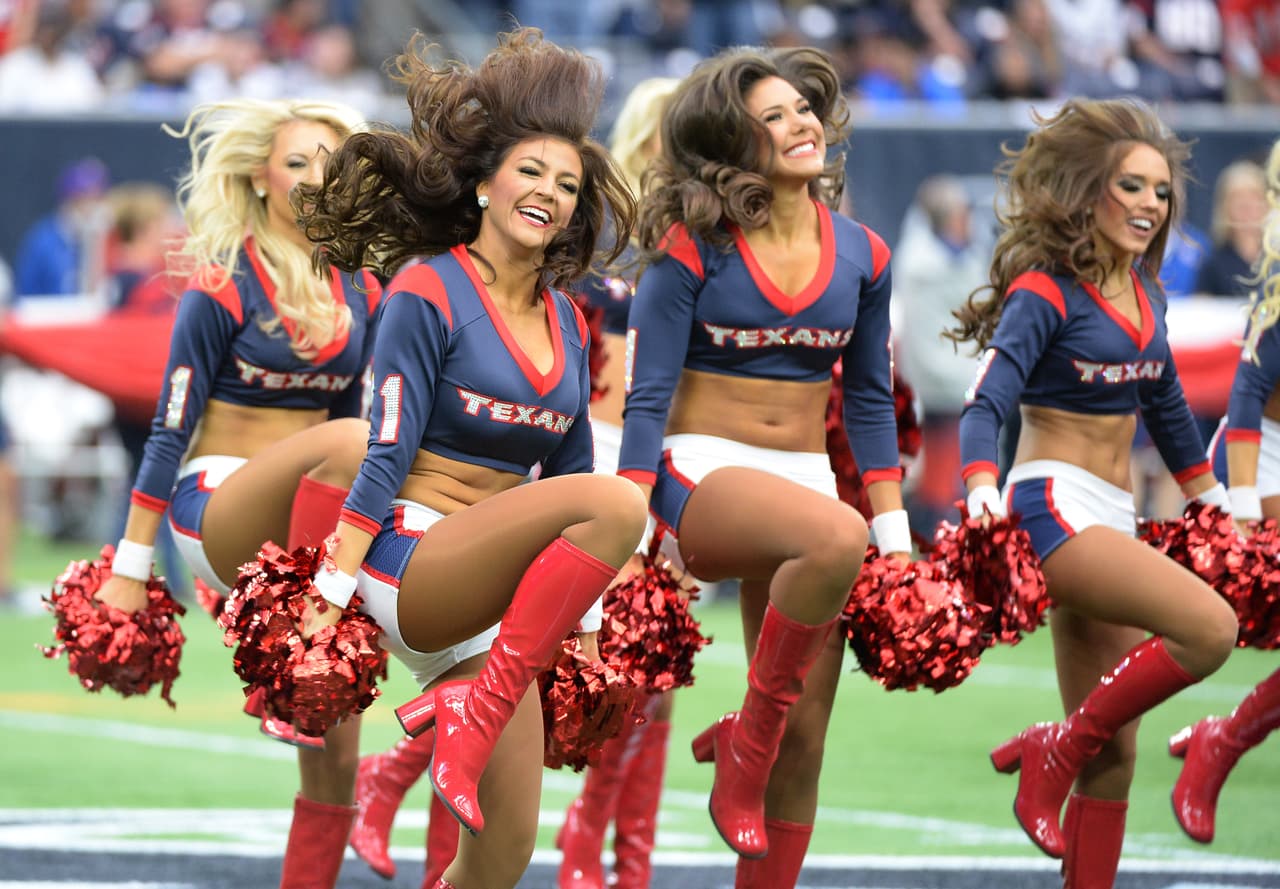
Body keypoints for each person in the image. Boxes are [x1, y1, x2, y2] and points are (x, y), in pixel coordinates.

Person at [297, 28, 647, 889]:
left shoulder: (568, 318)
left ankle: (474, 700)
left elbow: (563, 472)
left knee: (502, 853)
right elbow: (385, 450)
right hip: (412, 559)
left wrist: (592, 637)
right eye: (531, 171)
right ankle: (472, 702)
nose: (549, 193)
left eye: (567, 184)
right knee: (621, 502)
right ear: (486, 184)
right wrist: (328, 595)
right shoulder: (428, 288)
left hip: (495, 602)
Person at [617, 44, 908, 888]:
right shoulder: (690, 246)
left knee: (807, 739)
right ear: (734, 147)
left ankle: (757, 740)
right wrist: (634, 527)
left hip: (810, 488)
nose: (798, 124)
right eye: (770, 118)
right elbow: (648, 394)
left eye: (801, 108)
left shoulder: (865, 254)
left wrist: (894, 536)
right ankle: (746, 735)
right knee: (830, 537)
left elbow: (866, 402)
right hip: (701, 475)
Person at [92, 97, 383, 889]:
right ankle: (290, 653)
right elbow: (167, 429)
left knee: (336, 744)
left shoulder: (361, 286)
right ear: (260, 178)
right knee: (359, 442)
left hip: (309, 534)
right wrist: (129, 562)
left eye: (331, 162)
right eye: (298, 162)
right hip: (216, 504)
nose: (317, 178)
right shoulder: (221, 283)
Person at [949, 98, 1239, 885]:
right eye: (1132, 187)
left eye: (1160, 191)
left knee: (1115, 757)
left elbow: (1169, 407)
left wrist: (1215, 501)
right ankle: (1058, 743)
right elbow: (987, 403)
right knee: (1209, 629)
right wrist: (979, 487)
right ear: (1088, 192)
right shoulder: (1045, 292)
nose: (1150, 204)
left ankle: (1069, 749)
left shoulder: (1150, 293)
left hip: (1118, 512)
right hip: (1052, 506)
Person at [555, 74, 680, 889]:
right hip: (597, 449)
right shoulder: (603, 236)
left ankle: (627, 862)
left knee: (660, 674)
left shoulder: (711, 242)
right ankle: (581, 848)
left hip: (668, 453)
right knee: (603, 659)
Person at [1170, 135, 1280, 847]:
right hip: (1264, 463)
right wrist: (1242, 513)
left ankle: (1220, 736)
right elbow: (1245, 404)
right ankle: (1220, 740)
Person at [892, 173, 989, 536]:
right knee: (940, 465)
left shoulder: (955, 259)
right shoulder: (927, 267)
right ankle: (937, 518)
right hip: (940, 381)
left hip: (948, 379)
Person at [1194, 159, 1268, 299]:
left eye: (1254, 197)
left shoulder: (1274, 260)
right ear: (1224, 207)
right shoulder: (1212, 264)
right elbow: (1201, 312)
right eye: (1238, 198)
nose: (1247, 205)